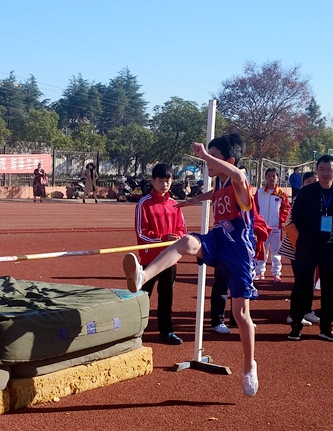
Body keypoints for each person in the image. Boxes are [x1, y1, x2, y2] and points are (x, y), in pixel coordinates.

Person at [122, 134, 259, 397]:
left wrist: (204, 155)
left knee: (241, 315)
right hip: (219, 238)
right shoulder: (220, 181)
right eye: (208, 157)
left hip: (240, 251)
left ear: (229, 161)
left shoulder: (240, 179)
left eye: (214, 158)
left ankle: (249, 365)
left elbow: (238, 176)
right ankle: (142, 276)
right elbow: (216, 193)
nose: (208, 163)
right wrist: (194, 200)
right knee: (186, 241)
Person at [287, 154, 333, 342]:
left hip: (331, 247)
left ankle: (326, 327)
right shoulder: (306, 192)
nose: (325, 173)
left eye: (329, 170)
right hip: (308, 245)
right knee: (303, 286)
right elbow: (296, 217)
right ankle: (296, 325)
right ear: (316, 171)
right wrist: (310, 232)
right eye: (321, 169)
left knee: (329, 288)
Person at [132, 163, 187, 344]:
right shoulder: (144, 203)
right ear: (152, 181)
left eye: (167, 181)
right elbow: (141, 232)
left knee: (166, 296)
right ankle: (134, 330)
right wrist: (163, 238)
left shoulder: (175, 204)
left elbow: (182, 228)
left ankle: (166, 331)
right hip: (150, 259)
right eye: (160, 181)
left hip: (170, 258)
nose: (164, 184)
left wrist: (177, 236)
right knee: (143, 295)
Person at [283, 171, 320, 326]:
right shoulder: (299, 199)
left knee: (310, 280)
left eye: (314, 182)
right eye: (308, 182)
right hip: (296, 246)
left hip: (312, 246)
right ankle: (294, 314)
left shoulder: (320, 199)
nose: (312, 185)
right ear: (303, 184)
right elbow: (294, 222)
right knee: (301, 280)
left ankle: (307, 310)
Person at [254, 167, 290, 282]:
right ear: (265, 178)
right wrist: (257, 221)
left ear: (277, 178)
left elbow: (286, 208)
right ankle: (259, 272)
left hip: (276, 228)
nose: (271, 178)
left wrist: (280, 219)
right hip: (262, 228)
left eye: (274, 176)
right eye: (269, 176)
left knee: (276, 252)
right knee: (262, 250)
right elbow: (254, 207)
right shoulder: (259, 192)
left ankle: (276, 273)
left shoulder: (281, 194)